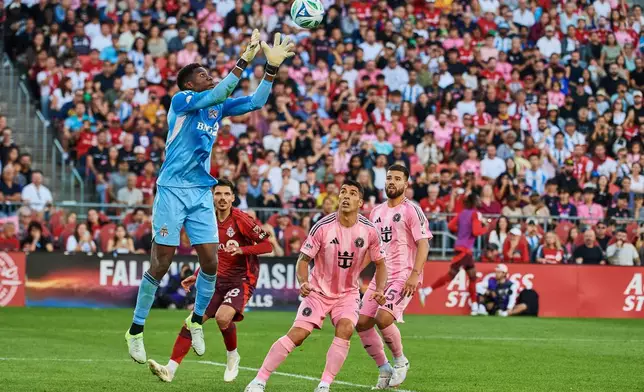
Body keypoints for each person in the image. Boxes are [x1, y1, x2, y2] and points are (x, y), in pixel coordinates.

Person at [125, 31, 295, 364]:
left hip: (202, 191)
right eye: (202, 74)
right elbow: (221, 90)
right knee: (160, 264)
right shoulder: (182, 102)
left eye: (209, 72)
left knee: (211, 261)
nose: (209, 76)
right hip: (173, 190)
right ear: (189, 84)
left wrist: (270, 70)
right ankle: (135, 329)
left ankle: (197, 320)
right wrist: (244, 60)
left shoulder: (215, 108)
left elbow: (255, 102)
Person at [244, 180, 387, 392]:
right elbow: (302, 260)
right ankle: (259, 380)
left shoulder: (369, 231)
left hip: (347, 294)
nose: (346, 196)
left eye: (352, 193)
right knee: (298, 335)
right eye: (343, 192)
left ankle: (324, 385)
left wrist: (381, 289)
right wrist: (303, 282)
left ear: (360, 201)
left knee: (346, 328)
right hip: (318, 290)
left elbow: (381, 263)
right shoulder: (322, 226)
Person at [147, 179, 273, 382]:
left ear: (233, 197)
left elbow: (267, 246)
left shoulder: (241, 220)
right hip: (216, 280)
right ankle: (169, 369)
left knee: (223, 317)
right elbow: (214, 256)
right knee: (191, 322)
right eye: (218, 194)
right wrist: (196, 275)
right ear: (212, 197)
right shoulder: (207, 220)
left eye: (226, 194)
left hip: (241, 280)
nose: (222, 198)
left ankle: (233, 356)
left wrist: (242, 250)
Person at [357, 165, 432, 389]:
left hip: (404, 275)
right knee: (361, 323)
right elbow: (373, 249)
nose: (392, 182)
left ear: (406, 184)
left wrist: (415, 274)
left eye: (397, 179)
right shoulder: (376, 212)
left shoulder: (412, 210)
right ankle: (384, 368)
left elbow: (423, 244)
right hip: (381, 277)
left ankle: (400, 361)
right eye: (389, 178)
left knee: (383, 319)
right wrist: (354, 271)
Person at [419, 193, 488, 315]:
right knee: (451, 275)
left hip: (462, 248)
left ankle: (475, 307)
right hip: (465, 250)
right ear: (474, 201)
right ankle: (426, 291)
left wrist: (461, 232)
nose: (479, 200)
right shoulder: (475, 214)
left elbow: (450, 225)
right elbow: (476, 232)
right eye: (477, 199)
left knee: (472, 277)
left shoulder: (462, 213)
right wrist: (485, 228)